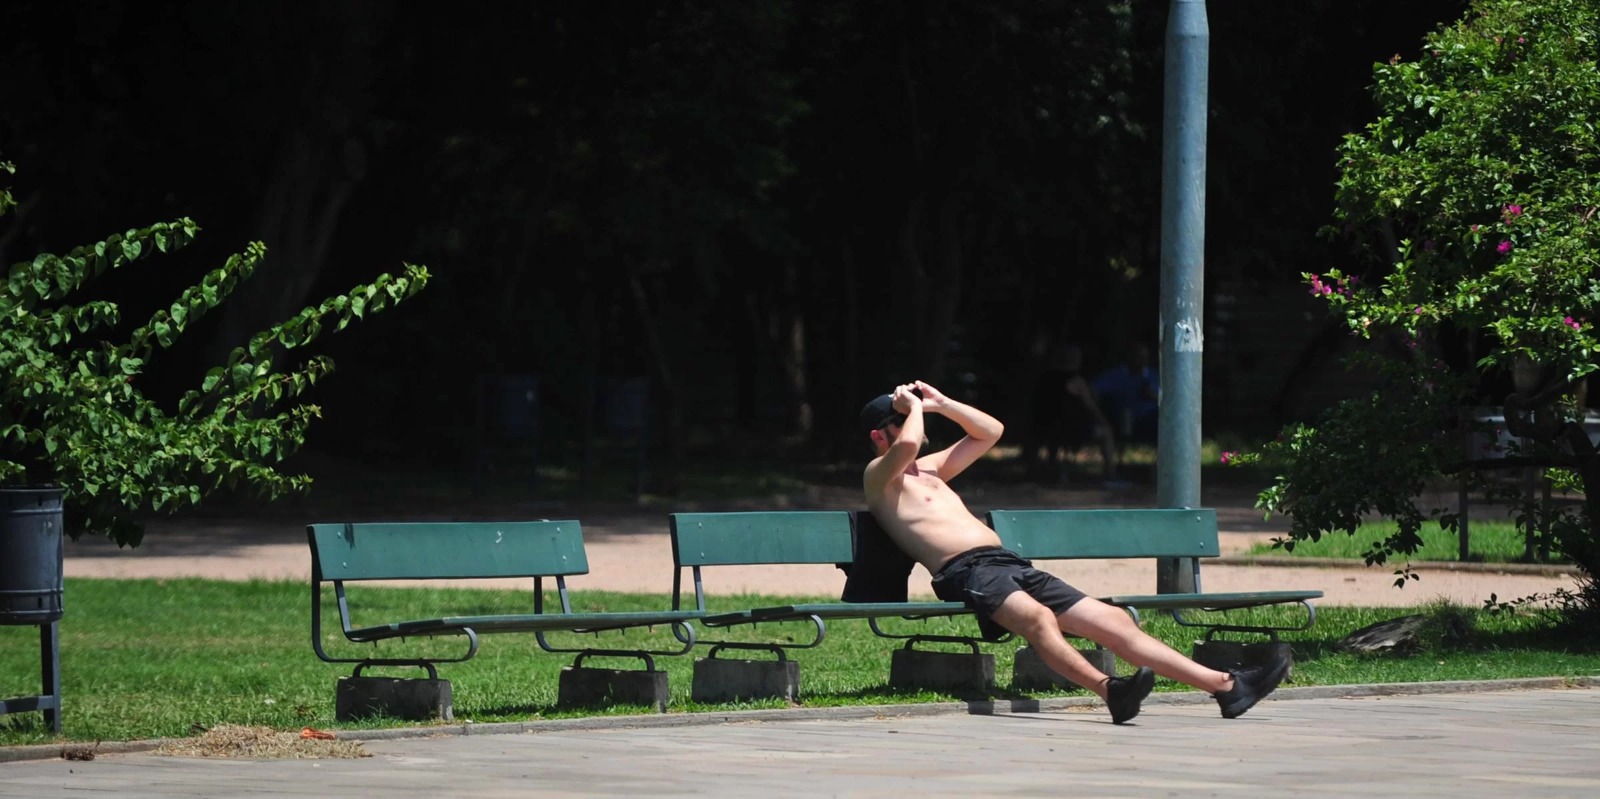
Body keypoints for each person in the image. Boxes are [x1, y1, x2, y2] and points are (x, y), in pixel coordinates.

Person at [860, 381, 1289, 724]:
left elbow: (989, 432)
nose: (914, 425)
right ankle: (1111, 690)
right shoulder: (880, 477)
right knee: (1038, 619)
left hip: (1006, 563)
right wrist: (911, 410)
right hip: (965, 572)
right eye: (899, 422)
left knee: (1112, 621)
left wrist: (941, 404)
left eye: (909, 418)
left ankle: (1227, 688)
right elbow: (907, 447)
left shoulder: (932, 470)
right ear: (880, 435)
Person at [1029, 343, 1122, 486]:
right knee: (1106, 432)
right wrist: (1104, 422)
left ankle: (1052, 468)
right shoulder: (1076, 381)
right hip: (1070, 430)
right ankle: (1110, 474)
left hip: (1046, 428)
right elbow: (1091, 407)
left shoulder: (1045, 379)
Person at [1091, 343, 1160, 446]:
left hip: (1152, 417)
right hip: (1126, 419)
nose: (1142, 361)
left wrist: (1152, 395)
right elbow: (1094, 389)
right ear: (1130, 357)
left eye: (1145, 358)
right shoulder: (1117, 375)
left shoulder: (1154, 375)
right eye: (1139, 357)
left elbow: (1168, 400)